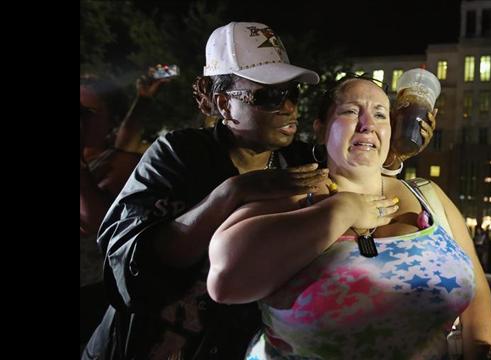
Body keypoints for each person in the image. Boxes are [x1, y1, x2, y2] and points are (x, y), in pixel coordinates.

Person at [82, 21, 435, 359]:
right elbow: (126, 268)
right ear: (224, 104)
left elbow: (355, 176)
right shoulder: (178, 154)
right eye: (269, 95)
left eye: (293, 92)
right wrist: (231, 194)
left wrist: (393, 153)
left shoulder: (300, 163)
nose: (289, 107)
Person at [207, 76, 491, 359]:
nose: (367, 124)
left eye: (380, 115)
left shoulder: (429, 197)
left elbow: (477, 298)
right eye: (350, 111)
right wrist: (341, 210)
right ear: (320, 129)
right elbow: (225, 280)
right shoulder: (291, 196)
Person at [80, 73, 171, 349]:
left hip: (90, 292)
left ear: (109, 121)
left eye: (85, 112)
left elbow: (97, 220)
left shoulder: (117, 165)